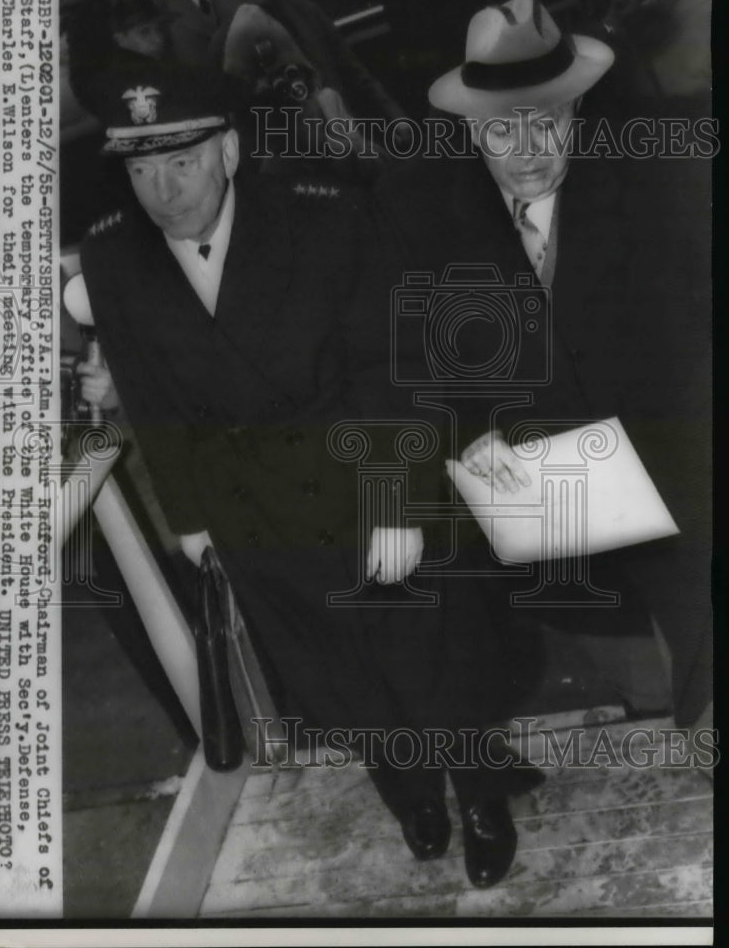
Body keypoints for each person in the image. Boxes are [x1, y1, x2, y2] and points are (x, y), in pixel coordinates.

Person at [75, 56, 542, 890]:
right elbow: (150, 398)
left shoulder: (323, 217)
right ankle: (411, 797)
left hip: (360, 479)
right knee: (334, 668)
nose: (164, 193)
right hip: (250, 509)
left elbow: (390, 363)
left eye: (182, 163)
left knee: (428, 650)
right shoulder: (115, 256)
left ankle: (479, 792)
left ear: (228, 151)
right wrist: (191, 519)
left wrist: (398, 502)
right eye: (142, 171)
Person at [373, 0, 703, 719]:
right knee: (634, 685)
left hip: (678, 482)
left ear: (576, 111)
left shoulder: (663, 186)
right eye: (500, 130)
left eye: (546, 123)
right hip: (549, 514)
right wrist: (466, 432)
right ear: (469, 127)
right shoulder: (417, 217)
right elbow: (404, 359)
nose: (527, 151)